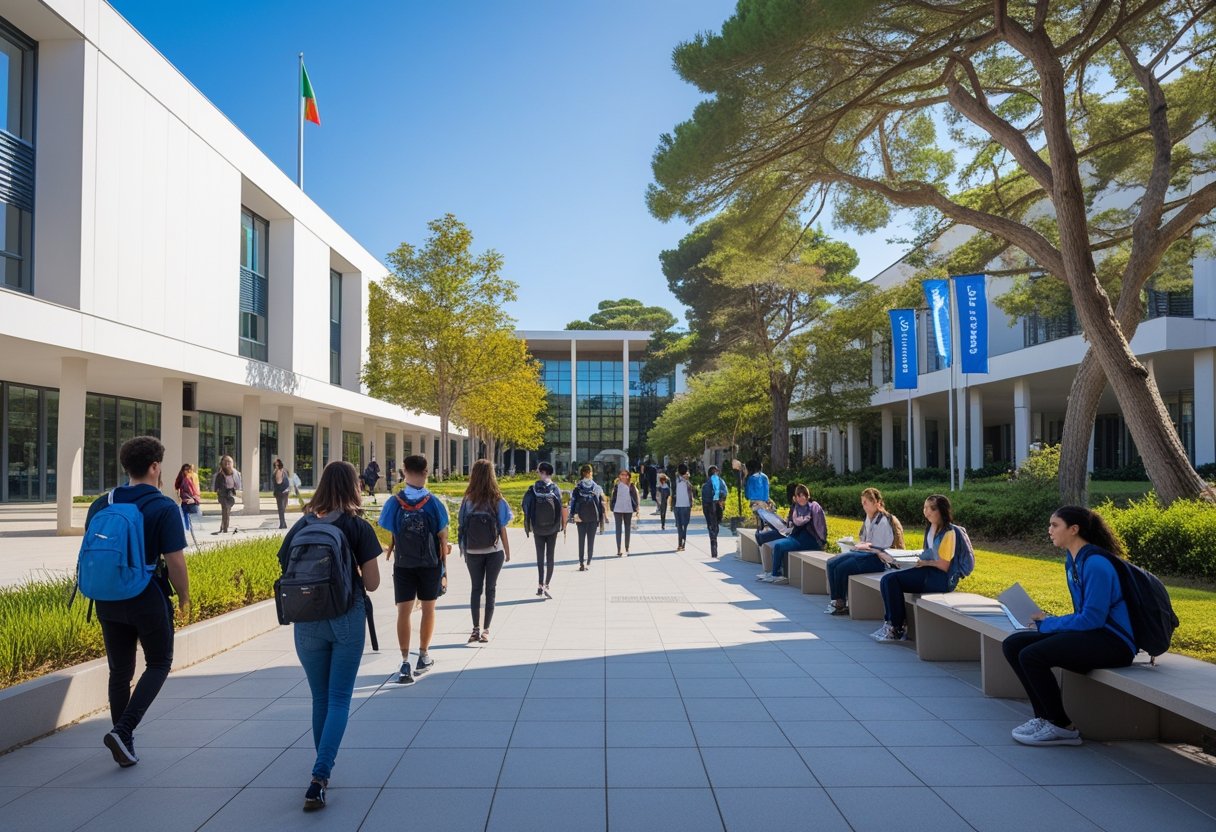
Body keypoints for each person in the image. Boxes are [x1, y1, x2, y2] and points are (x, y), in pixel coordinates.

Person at [276, 460, 381, 812]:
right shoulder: (358, 526)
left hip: (306, 620)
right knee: (339, 699)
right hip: (346, 617)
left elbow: (285, 567)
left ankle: (321, 774)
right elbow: (372, 584)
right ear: (354, 485)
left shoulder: (302, 524)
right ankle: (320, 776)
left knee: (320, 699)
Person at [84, 436, 189, 769]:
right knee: (158, 662)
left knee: (119, 671)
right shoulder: (163, 506)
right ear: (155, 466)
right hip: (146, 595)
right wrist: (184, 595)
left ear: (126, 466)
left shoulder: (101, 504)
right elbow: (175, 561)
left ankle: (123, 739)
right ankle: (124, 730)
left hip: (106, 596)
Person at [1002, 506, 1137, 747]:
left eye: (1055, 525)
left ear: (1074, 530)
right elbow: (1085, 615)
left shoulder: (1096, 564)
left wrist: (1049, 624)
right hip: (1094, 635)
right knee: (1014, 644)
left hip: (1113, 643)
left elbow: (1092, 619)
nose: (1049, 530)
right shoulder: (1073, 560)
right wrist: (1049, 621)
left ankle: (1061, 726)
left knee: (1032, 655)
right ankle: (1043, 717)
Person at [379, 454, 449, 684]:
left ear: (404, 471)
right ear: (426, 472)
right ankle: (423, 655)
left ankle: (404, 661)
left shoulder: (394, 502)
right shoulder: (435, 503)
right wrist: (444, 570)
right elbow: (442, 538)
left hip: (403, 564)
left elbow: (388, 532)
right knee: (428, 609)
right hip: (429, 565)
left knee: (404, 612)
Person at [872, 494, 965, 642]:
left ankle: (897, 627)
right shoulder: (931, 528)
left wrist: (925, 563)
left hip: (940, 578)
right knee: (887, 579)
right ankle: (889, 623)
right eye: (925, 507)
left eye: (932, 508)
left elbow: (944, 565)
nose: (927, 511)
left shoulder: (949, 533)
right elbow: (928, 553)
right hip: (928, 571)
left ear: (942, 511)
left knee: (892, 581)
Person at [459, 459, 513, 644]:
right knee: (490, 589)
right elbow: (503, 526)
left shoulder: (467, 500)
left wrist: (463, 549)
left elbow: (461, 525)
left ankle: (475, 629)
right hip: (493, 550)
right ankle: (486, 631)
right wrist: (507, 550)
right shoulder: (497, 499)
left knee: (475, 589)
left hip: (472, 551)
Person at [824, 488, 899, 615]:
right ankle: (836, 600)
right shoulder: (868, 518)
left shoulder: (883, 520)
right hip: (863, 553)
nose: (863, 505)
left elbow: (881, 547)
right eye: (862, 502)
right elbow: (864, 539)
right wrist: (860, 545)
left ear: (876, 503)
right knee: (831, 563)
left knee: (842, 568)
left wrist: (864, 546)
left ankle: (841, 603)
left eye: (866, 502)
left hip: (876, 559)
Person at [756, 484, 825, 584]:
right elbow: (792, 523)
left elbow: (818, 525)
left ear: (807, 496)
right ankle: (775, 572)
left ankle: (776, 575)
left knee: (779, 546)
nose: (801, 498)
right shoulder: (796, 508)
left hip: (810, 540)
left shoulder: (813, 507)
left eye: (803, 495)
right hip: (797, 537)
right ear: (795, 497)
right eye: (799, 496)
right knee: (777, 545)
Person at [523, 462, 566, 599]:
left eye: (538, 472)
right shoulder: (555, 488)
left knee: (540, 557)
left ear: (542, 472)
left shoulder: (533, 488)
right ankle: (547, 584)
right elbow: (561, 508)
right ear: (550, 473)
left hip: (538, 528)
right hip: (552, 528)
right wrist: (562, 526)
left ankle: (540, 585)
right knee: (550, 557)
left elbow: (525, 506)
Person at [568, 463, 606, 570]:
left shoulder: (577, 487)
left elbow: (573, 502)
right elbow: (602, 503)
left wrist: (572, 516)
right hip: (593, 518)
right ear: (591, 473)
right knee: (591, 540)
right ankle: (589, 561)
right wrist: (603, 517)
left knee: (581, 540)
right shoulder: (597, 487)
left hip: (580, 517)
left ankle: (581, 562)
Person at [609, 469, 640, 556]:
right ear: (619, 476)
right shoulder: (616, 486)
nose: (624, 476)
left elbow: (635, 497)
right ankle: (618, 549)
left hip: (628, 509)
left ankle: (627, 548)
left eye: (625, 475)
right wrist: (612, 506)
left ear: (628, 476)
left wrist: (637, 508)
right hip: (617, 509)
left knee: (627, 529)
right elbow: (613, 497)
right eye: (622, 474)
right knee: (618, 529)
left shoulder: (631, 485)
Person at [701, 465, 729, 558]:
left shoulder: (705, 485)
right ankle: (714, 541)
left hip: (709, 507)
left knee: (711, 525)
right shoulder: (721, 481)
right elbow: (725, 493)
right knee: (716, 524)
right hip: (716, 506)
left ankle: (713, 540)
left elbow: (704, 500)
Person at [210, 455, 241, 535]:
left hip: (230, 494)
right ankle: (225, 529)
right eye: (225, 463)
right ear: (222, 464)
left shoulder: (236, 473)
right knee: (225, 509)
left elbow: (238, 485)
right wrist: (216, 490)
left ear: (232, 463)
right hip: (222, 494)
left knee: (227, 511)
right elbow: (215, 485)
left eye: (229, 463)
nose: (227, 465)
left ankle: (223, 525)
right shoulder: (219, 474)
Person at [174, 463, 201, 548]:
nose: (187, 471)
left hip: (192, 502)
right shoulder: (181, 478)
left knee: (193, 522)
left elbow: (196, 489)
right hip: (185, 502)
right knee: (186, 522)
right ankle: (189, 540)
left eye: (188, 469)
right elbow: (177, 487)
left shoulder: (192, 477)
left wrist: (195, 499)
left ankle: (194, 541)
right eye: (185, 469)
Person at [672, 463, 694, 551]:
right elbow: (692, 493)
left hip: (677, 506)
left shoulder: (676, 480)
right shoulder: (688, 482)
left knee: (679, 526)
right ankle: (683, 544)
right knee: (685, 526)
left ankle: (680, 544)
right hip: (686, 506)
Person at [744, 459, 771, 527]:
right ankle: (762, 526)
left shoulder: (750, 478)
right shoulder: (764, 477)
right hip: (763, 501)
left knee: (757, 515)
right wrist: (766, 499)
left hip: (754, 501)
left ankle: (760, 526)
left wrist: (747, 497)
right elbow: (766, 489)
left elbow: (748, 491)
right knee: (762, 515)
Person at [272, 458, 291, 530]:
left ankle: (282, 523)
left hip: (281, 492)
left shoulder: (279, 471)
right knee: (282, 508)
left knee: (281, 508)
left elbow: (279, 481)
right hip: (283, 491)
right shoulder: (282, 471)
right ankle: (283, 523)